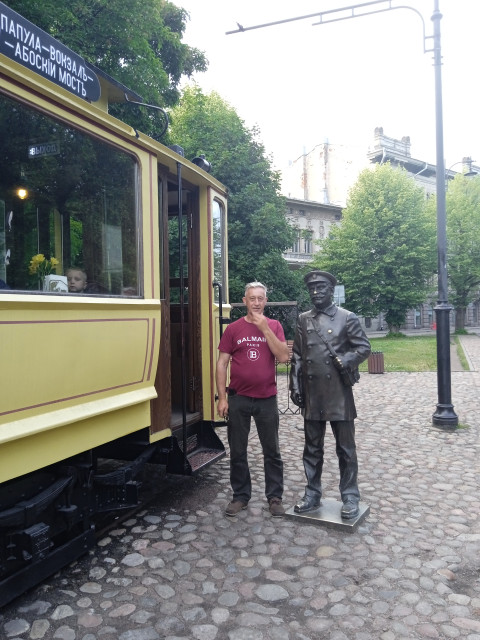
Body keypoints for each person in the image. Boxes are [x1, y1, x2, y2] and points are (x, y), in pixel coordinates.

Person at [290, 270, 371, 519]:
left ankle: (350, 496)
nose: (316, 292)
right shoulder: (304, 319)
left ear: (330, 290)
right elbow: (297, 356)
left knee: (346, 449)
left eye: (321, 288)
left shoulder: (347, 318)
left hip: (338, 393)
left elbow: (363, 347)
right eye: (312, 289)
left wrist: (346, 360)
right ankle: (312, 494)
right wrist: (294, 385)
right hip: (313, 394)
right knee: (312, 448)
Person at [216, 281, 290, 518]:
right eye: (252, 298)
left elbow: (283, 357)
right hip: (238, 398)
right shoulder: (233, 329)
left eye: (260, 298)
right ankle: (240, 496)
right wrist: (222, 397)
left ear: (265, 301)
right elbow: (222, 363)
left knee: (272, 451)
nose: (256, 303)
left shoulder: (275, 325)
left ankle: (275, 497)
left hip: (266, 399)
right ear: (245, 301)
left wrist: (264, 328)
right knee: (238, 450)